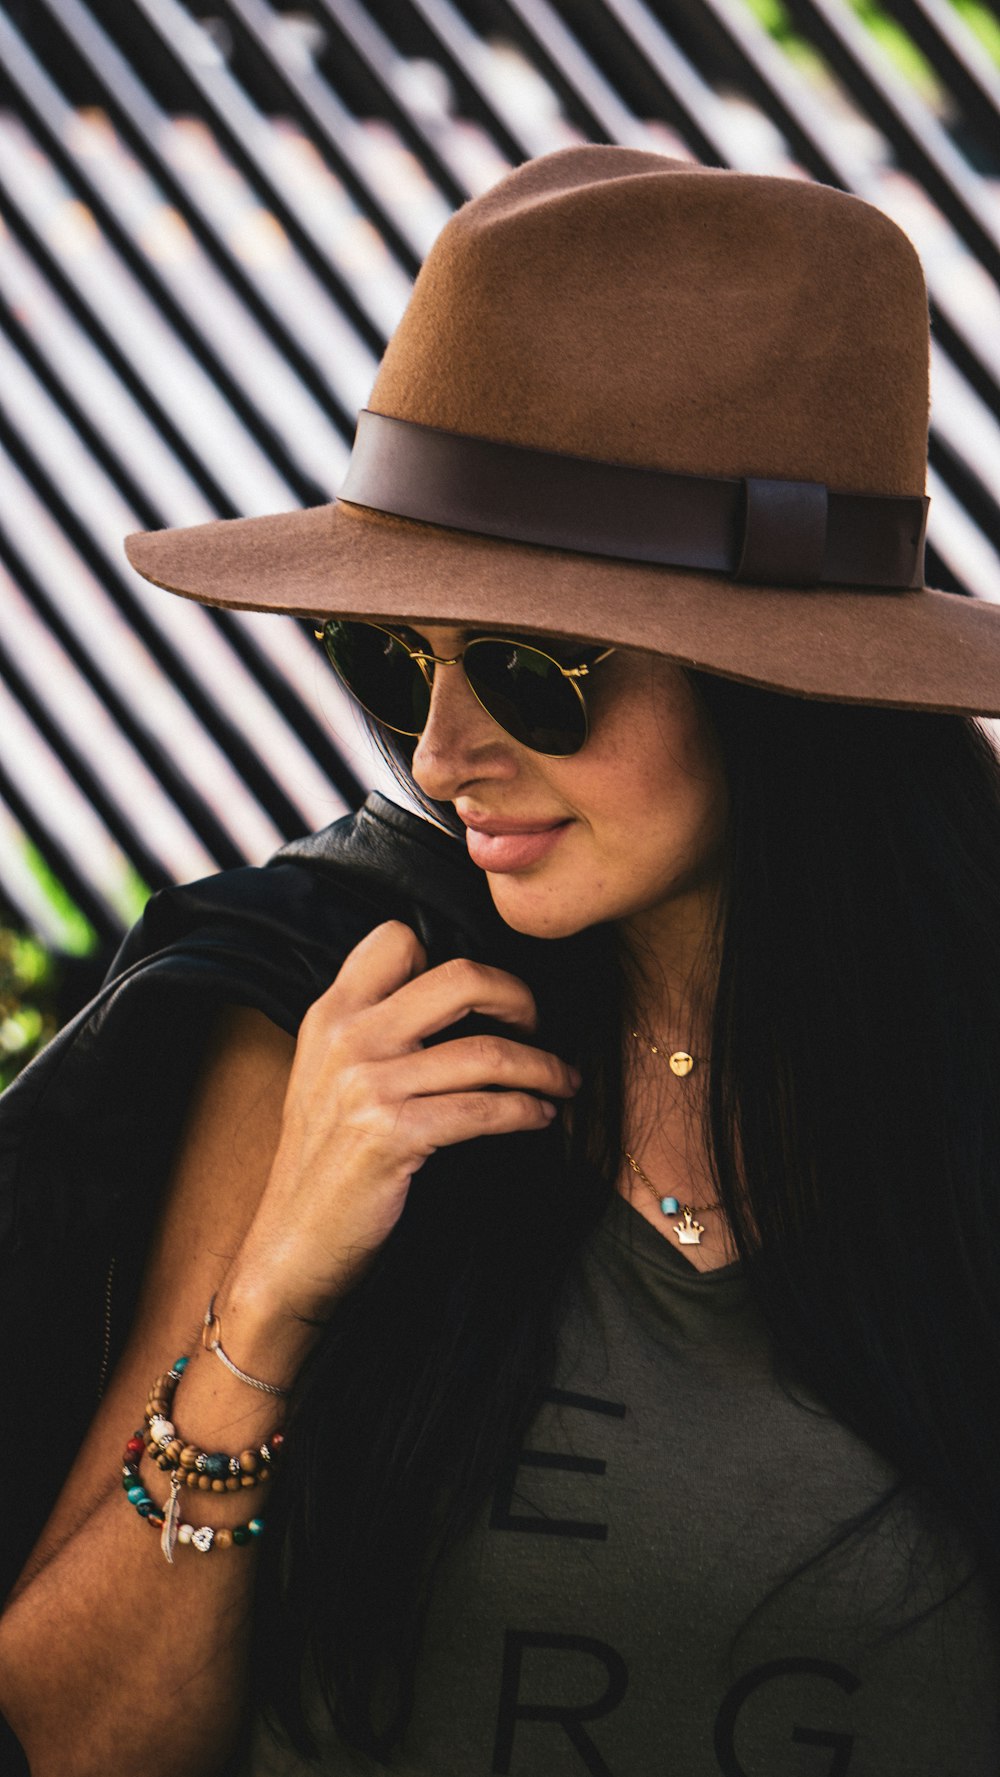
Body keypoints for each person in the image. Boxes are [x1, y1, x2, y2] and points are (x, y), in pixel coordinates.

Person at [2, 144, 1000, 1777]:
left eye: (534, 674)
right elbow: (81, 1740)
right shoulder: (336, 1015)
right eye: (392, 660)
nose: (444, 751)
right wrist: (272, 1298)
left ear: (781, 689)